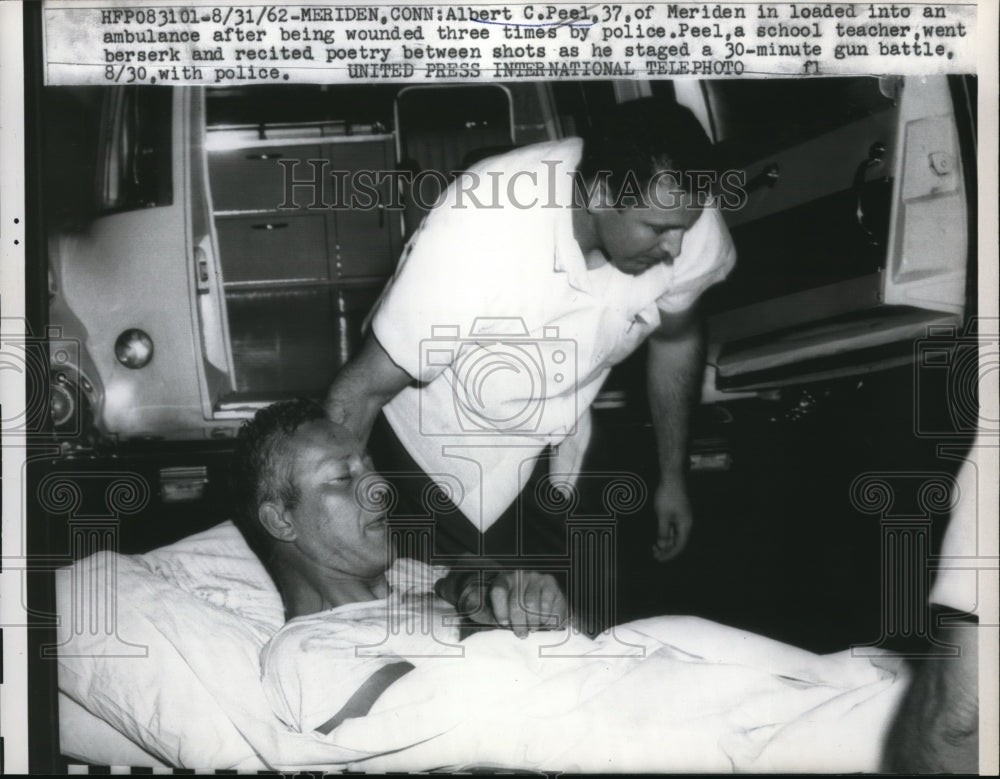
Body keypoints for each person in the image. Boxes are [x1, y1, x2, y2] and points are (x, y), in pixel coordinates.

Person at [232, 400, 915, 773]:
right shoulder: (300, 654)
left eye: (370, 464)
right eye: (341, 478)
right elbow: (444, 715)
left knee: (885, 686)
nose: (377, 486)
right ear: (279, 517)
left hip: (648, 670)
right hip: (637, 730)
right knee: (909, 727)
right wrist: (494, 620)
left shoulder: (428, 579)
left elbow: (581, 642)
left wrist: (546, 606)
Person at [324, 98, 737, 599]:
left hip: (556, 421)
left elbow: (676, 339)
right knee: (488, 609)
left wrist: (674, 475)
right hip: (439, 439)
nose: (675, 248)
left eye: (684, 229)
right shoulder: (480, 222)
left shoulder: (682, 212)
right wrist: (331, 551)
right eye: (658, 230)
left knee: (599, 595)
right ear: (601, 194)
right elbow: (361, 390)